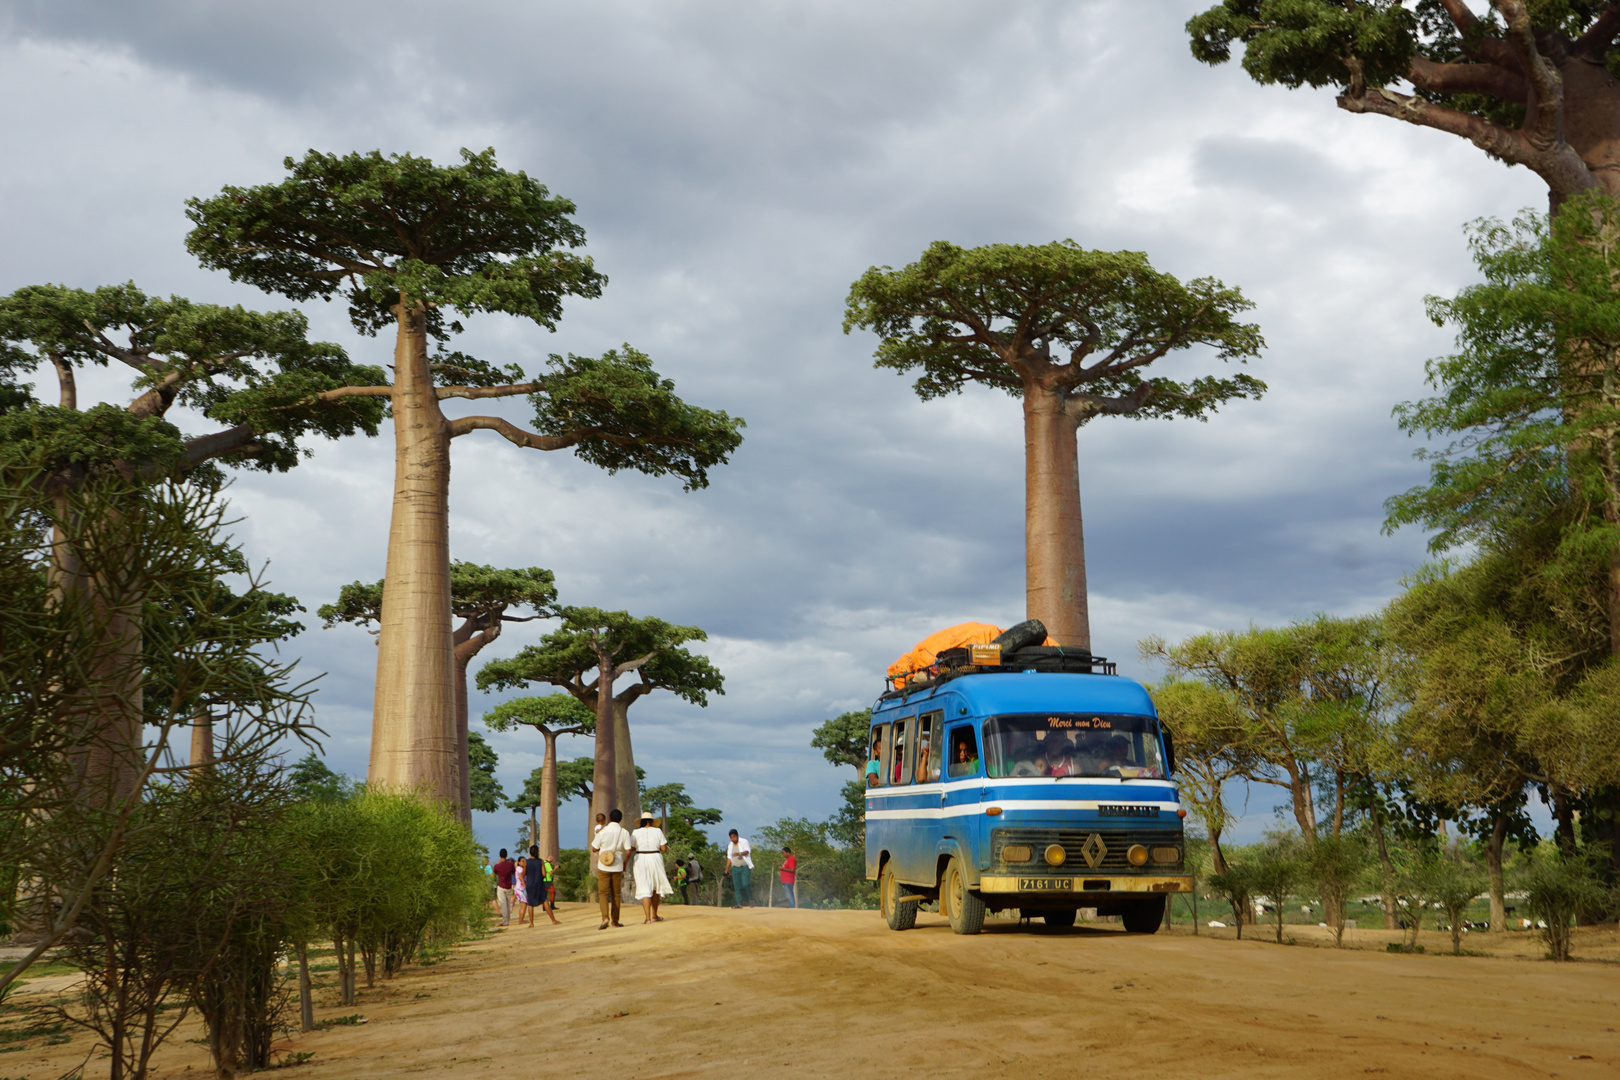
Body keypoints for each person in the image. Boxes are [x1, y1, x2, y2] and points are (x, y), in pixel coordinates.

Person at [590, 809, 631, 930]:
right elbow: (628, 851)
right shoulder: (624, 832)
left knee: (603, 893)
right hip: (617, 865)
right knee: (616, 894)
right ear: (621, 819)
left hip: (603, 865)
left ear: (609, 818)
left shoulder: (603, 831)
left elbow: (594, 848)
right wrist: (624, 863)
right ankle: (615, 921)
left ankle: (605, 918)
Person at [629, 812, 674, 924]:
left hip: (641, 858)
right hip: (655, 858)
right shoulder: (658, 831)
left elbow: (631, 847)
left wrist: (641, 846)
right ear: (652, 821)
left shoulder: (636, 832)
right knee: (655, 887)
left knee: (644, 887)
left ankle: (647, 918)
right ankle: (654, 915)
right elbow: (664, 848)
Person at [725, 829, 754, 908]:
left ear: (737, 836)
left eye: (734, 837)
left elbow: (747, 851)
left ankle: (751, 900)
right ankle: (739, 903)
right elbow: (729, 858)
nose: (732, 839)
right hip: (735, 868)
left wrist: (739, 853)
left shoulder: (744, 841)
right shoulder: (730, 845)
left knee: (746, 884)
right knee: (737, 886)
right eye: (731, 837)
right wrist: (726, 870)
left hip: (744, 867)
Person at [524, 846, 547, 928]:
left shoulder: (526, 862)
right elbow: (544, 874)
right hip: (539, 883)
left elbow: (524, 874)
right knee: (544, 900)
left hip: (530, 884)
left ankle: (531, 923)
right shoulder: (541, 861)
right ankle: (553, 920)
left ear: (530, 852)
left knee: (530, 904)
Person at [492, 848, 516, 927]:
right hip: (508, 886)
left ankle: (505, 921)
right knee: (508, 903)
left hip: (501, 885)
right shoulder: (510, 865)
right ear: (506, 855)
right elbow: (513, 872)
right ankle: (507, 919)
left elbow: (495, 873)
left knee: (503, 904)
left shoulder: (497, 866)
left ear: (499, 856)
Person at [513, 856, 532, 926]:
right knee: (524, 904)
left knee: (523, 905)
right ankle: (521, 920)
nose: (524, 863)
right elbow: (522, 878)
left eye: (525, 861)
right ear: (519, 862)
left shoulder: (520, 869)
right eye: (522, 861)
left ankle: (521, 919)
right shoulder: (519, 869)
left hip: (519, 889)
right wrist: (525, 887)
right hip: (520, 889)